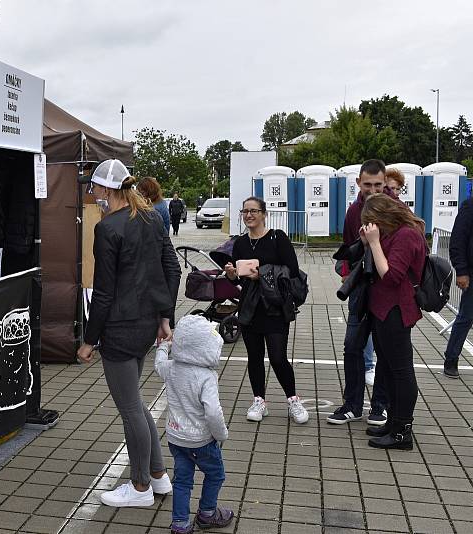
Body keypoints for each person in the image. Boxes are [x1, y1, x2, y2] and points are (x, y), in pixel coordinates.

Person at [77, 159, 181, 507]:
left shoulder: (109, 229)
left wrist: (89, 340)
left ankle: (139, 488)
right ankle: (157, 475)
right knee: (135, 405)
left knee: (131, 409)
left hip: (121, 329)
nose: (93, 194)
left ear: (106, 190)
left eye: (94, 188)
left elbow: (104, 292)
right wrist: (166, 317)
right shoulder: (151, 218)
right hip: (146, 324)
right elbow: (171, 267)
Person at [224, 197, 309, 424]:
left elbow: (292, 269)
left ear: (264, 214)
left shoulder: (277, 237)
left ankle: (293, 399)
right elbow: (238, 280)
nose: (249, 215)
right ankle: (259, 400)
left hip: (275, 306)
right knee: (254, 357)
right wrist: (232, 276)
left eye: (254, 211)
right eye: (245, 211)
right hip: (251, 306)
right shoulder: (240, 243)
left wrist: (262, 273)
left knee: (278, 357)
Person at [155, 315, 234, 533]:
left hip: (175, 437)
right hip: (201, 440)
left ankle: (180, 524)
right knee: (216, 474)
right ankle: (207, 513)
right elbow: (213, 413)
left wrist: (164, 345)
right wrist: (221, 435)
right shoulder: (206, 376)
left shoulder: (171, 368)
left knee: (182, 481)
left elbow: (158, 363)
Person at [360, 193, 426, 450]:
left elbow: (391, 276)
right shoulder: (395, 233)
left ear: (382, 216)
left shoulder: (407, 235)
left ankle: (402, 431)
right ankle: (393, 422)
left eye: (371, 222)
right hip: (383, 309)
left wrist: (375, 244)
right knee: (387, 369)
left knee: (401, 371)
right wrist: (369, 243)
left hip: (397, 310)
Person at [327, 159, 389, 426]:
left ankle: (381, 406)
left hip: (388, 290)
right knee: (352, 346)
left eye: (378, 184)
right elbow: (347, 248)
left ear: (385, 183)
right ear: (358, 183)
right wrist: (357, 250)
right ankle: (352, 405)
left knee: (385, 349)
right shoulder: (354, 211)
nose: (372, 190)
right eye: (367, 185)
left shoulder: (394, 209)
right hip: (361, 289)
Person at [443, 196, 473, 378]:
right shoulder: (470, 206)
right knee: (466, 318)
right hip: (471, 272)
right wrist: (461, 271)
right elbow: (457, 241)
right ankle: (451, 358)